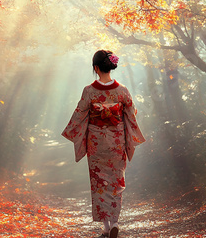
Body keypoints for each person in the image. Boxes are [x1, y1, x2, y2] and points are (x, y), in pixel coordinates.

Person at [61, 50, 145, 238]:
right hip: (117, 141)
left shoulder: (89, 91)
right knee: (116, 180)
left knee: (99, 181)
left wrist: (71, 131)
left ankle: (106, 227)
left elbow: (79, 114)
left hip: (96, 142)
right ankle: (115, 222)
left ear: (96, 68)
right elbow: (131, 113)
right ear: (110, 67)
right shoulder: (122, 90)